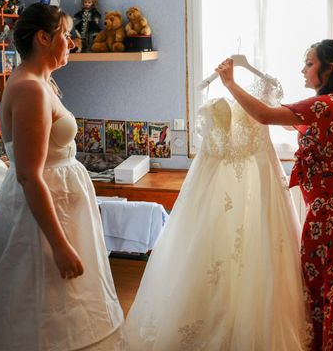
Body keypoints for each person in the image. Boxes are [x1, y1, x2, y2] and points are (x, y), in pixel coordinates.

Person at [0, 3, 125, 351]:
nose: (72, 43)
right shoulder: (30, 89)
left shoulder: (42, 83)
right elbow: (30, 176)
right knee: (40, 300)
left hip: (61, 205)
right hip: (43, 218)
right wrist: (61, 245)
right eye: (66, 35)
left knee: (64, 302)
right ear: (43, 38)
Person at [124, 71, 311, 349]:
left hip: (258, 183)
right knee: (207, 252)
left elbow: (274, 119)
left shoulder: (267, 87)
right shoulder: (210, 86)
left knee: (258, 254)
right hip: (212, 186)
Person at [216, 39, 333, 351]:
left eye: (310, 63)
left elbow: (266, 117)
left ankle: (323, 345)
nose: (303, 69)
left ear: (328, 68)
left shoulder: (322, 105)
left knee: (319, 281)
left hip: (328, 208)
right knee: (331, 280)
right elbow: (287, 124)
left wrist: (230, 83)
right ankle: (331, 342)